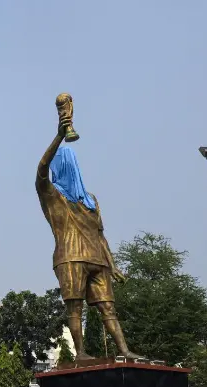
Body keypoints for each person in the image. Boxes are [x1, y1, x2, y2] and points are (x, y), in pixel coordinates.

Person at [36, 121, 142, 361]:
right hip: (70, 257)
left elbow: (100, 234)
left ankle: (124, 351)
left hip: (96, 260)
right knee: (75, 307)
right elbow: (40, 172)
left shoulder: (90, 200)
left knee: (108, 308)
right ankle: (81, 353)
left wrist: (112, 264)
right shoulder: (53, 196)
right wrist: (58, 137)